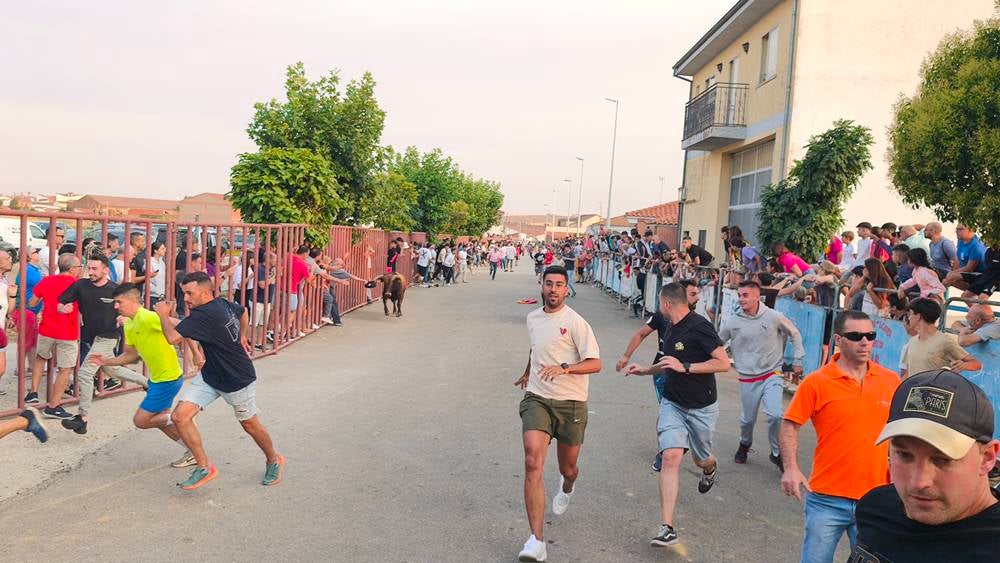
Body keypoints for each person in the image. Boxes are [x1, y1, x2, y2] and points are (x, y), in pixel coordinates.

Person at [780, 311, 900, 563]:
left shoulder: (890, 381)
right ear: (838, 339)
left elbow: (903, 432)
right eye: (856, 336)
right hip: (826, 498)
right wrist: (790, 467)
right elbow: (790, 424)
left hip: (875, 499)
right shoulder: (817, 382)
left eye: (870, 335)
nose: (865, 342)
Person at [851, 369, 1000, 561]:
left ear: (987, 458)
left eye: (943, 459)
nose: (919, 482)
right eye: (904, 455)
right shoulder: (876, 508)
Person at [624, 283, 730, 547]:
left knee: (700, 459)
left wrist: (686, 366)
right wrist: (645, 370)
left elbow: (723, 363)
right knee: (671, 457)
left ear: (667, 303)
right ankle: (667, 527)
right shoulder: (669, 325)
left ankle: (710, 467)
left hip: (702, 407)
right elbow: (668, 363)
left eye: (659, 302)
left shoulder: (700, 326)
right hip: (673, 403)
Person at [156, 271, 284, 491]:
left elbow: (172, 338)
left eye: (190, 293)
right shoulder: (222, 303)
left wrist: (162, 315)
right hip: (210, 375)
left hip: (236, 378)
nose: (185, 298)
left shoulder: (203, 315)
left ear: (206, 293)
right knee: (180, 416)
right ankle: (204, 467)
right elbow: (243, 311)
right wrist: (241, 335)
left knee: (250, 424)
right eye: (183, 293)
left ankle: (274, 459)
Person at [513, 265, 601, 562]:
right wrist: (528, 371)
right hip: (537, 398)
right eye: (548, 283)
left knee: (568, 468)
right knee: (531, 461)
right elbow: (536, 348)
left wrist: (565, 368)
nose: (553, 289)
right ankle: (536, 541)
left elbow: (595, 363)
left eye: (559, 285)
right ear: (542, 285)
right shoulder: (533, 318)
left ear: (566, 289)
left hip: (571, 403)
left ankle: (568, 485)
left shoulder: (576, 323)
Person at [88, 283, 195, 466]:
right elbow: (131, 355)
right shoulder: (129, 324)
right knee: (159, 422)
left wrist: (196, 354)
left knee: (141, 420)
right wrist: (106, 361)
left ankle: (181, 417)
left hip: (168, 378)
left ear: (132, 301)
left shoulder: (147, 317)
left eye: (119, 302)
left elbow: (184, 327)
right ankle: (192, 451)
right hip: (157, 379)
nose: (116, 306)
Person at [57, 255, 150, 434]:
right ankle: (148, 383)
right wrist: (62, 308)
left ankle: (82, 418)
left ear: (106, 270)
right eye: (89, 268)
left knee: (85, 373)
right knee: (112, 370)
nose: (90, 272)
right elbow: (61, 302)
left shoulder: (115, 290)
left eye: (95, 269)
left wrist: (126, 318)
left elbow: (136, 310)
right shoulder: (80, 285)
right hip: (91, 337)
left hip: (108, 337)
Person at [616, 280, 701, 472]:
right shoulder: (662, 316)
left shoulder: (698, 322)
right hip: (663, 371)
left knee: (687, 412)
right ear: (680, 296)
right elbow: (641, 334)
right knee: (667, 410)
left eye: (697, 293)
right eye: (693, 294)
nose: (697, 298)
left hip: (688, 375)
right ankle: (664, 450)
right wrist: (626, 356)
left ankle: (687, 445)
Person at [720, 281, 803, 470]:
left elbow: (795, 334)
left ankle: (777, 453)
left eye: (745, 295)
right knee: (748, 420)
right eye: (739, 295)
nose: (741, 299)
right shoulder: (734, 321)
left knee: (775, 415)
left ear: (757, 297)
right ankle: (745, 443)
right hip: (747, 377)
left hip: (772, 373)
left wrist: (798, 359)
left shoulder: (774, 316)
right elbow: (718, 342)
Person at [25, 254, 82, 417]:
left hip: (47, 329)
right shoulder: (77, 285)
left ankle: (33, 392)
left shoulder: (47, 280)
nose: (80, 270)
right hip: (68, 332)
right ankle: (54, 405)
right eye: (79, 267)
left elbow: (32, 302)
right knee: (65, 369)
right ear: (72, 269)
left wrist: (47, 304)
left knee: (40, 359)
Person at [900, 299, 981, 379]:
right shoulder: (912, 341)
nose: (909, 318)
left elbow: (976, 364)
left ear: (918, 317)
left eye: (911, 314)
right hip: (913, 387)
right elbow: (907, 373)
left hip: (934, 387)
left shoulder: (945, 341)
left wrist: (963, 365)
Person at [944, 223, 986, 291]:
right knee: (948, 278)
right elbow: (957, 259)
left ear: (971, 230)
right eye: (956, 229)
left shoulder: (976, 246)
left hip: (980, 274)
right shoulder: (961, 240)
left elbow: (969, 268)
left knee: (951, 278)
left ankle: (974, 292)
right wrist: (952, 272)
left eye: (960, 229)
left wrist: (951, 274)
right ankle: (971, 294)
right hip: (968, 272)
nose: (956, 231)